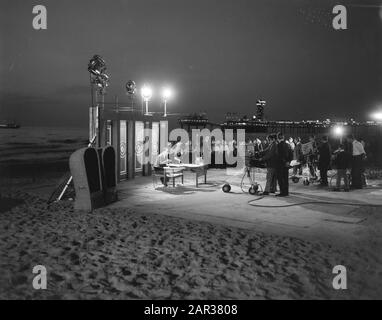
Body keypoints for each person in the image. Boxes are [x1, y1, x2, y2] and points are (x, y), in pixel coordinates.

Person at [275, 132, 293, 197]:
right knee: (285, 179)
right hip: (286, 165)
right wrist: (288, 161)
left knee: (280, 179)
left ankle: (282, 192)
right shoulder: (288, 145)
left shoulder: (278, 145)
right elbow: (291, 155)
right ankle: (286, 192)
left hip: (280, 165)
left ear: (277, 138)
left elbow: (278, 156)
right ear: (283, 137)